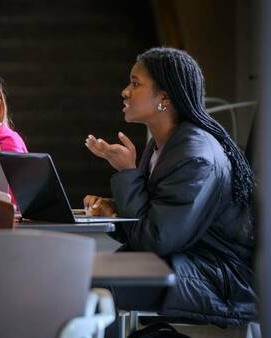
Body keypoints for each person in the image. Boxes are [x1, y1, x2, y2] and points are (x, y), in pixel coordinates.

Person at [83, 47, 256, 327]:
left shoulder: (195, 156)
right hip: (187, 259)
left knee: (92, 284)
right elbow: (155, 222)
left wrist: (128, 173)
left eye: (135, 84)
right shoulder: (164, 144)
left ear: (164, 96)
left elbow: (155, 240)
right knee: (82, 274)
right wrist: (113, 211)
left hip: (219, 277)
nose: (125, 92)